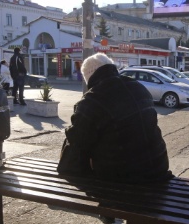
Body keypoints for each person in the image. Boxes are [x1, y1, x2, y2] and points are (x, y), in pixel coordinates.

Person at [57, 53, 172, 183]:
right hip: (159, 167)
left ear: (88, 77)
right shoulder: (138, 87)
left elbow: (75, 146)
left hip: (125, 179)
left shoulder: (92, 100)